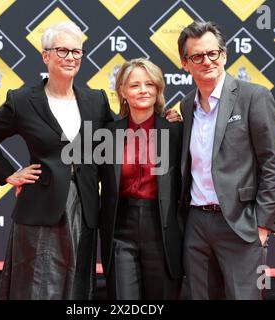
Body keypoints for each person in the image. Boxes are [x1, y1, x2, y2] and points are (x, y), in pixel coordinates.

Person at [0, 21, 113, 299]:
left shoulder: (96, 100)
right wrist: (9, 174)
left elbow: (115, 142)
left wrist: (162, 120)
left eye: (76, 52)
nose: (71, 57)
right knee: (35, 285)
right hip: (39, 206)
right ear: (45, 55)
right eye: (62, 50)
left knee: (76, 284)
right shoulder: (23, 100)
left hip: (84, 207)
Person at [177, 21, 275, 299]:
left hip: (240, 224)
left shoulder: (254, 97)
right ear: (185, 63)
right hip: (197, 223)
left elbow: (273, 163)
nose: (207, 61)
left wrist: (262, 226)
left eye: (213, 53)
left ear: (224, 55)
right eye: (197, 56)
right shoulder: (186, 105)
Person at [99, 58, 183, 300]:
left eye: (150, 84)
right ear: (122, 91)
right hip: (120, 231)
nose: (143, 90)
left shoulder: (175, 131)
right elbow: (83, 171)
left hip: (163, 230)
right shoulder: (107, 134)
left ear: (158, 90)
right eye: (134, 85)